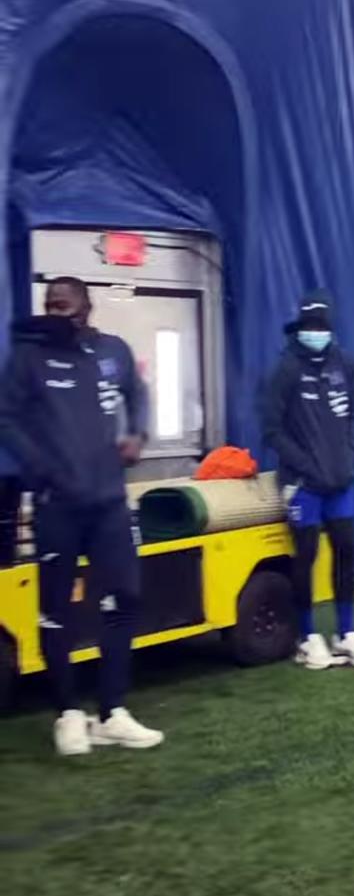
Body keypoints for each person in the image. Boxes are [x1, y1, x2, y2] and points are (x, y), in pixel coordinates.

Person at [0, 276, 163, 755]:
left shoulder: (111, 352)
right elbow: (4, 417)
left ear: (87, 307)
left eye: (65, 304)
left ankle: (112, 711)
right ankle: (68, 713)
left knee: (124, 598)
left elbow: (139, 394)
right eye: (50, 304)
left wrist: (138, 435)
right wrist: (40, 468)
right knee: (57, 610)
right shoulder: (29, 358)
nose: (57, 311)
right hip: (57, 507)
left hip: (109, 503)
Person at [263, 292, 354, 670]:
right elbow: (271, 430)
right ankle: (308, 637)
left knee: (346, 549)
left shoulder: (345, 364)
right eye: (309, 328)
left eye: (321, 327)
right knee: (307, 556)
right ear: (299, 330)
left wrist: (348, 455)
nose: (316, 333)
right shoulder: (285, 370)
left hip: (340, 481)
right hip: (303, 485)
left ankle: (346, 634)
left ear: (330, 330)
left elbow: (353, 417)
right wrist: (303, 467)